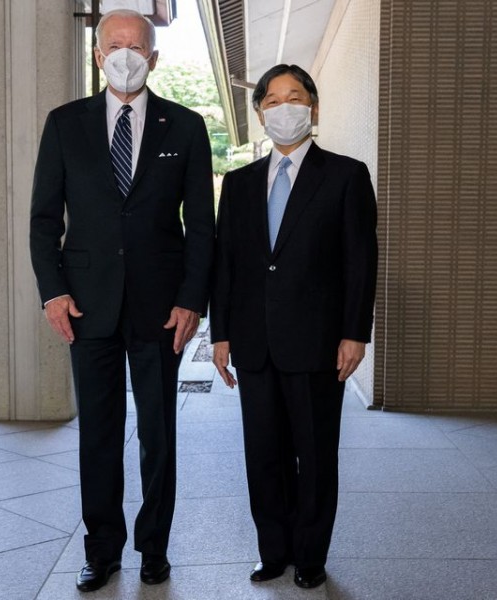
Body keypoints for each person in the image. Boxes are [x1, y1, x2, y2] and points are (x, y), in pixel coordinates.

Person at [30, 8, 214, 594]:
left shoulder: (184, 126)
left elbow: (202, 228)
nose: (126, 54)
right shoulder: (64, 124)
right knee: (99, 432)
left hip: (162, 308)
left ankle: (155, 548)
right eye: (116, 44)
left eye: (138, 47)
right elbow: (42, 220)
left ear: (154, 58)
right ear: (98, 54)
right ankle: (102, 549)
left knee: (158, 432)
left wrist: (192, 300)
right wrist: (53, 290)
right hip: (86, 305)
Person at [210, 64, 377, 589]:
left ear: (314, 108)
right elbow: (226, 264)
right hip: (254, 343)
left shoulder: (347, 176)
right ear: (260, 112)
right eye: (274, 99)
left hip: (318, 343)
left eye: (296, 96)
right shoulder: (236, 185)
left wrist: (356, 332)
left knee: (314, 452)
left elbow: (360, 261)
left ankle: (310, 556)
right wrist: (220, 333)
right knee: (263, 454)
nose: (285, 107)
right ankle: (273, 551)